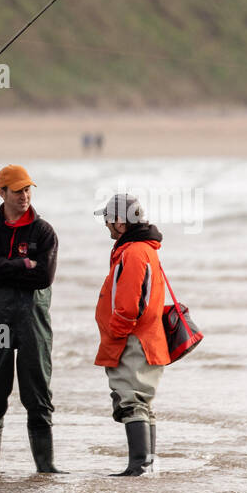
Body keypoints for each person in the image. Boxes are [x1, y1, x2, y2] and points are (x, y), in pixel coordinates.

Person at [0, 164, 62, 475]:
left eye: (28, 189)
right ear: (2, 193)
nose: (25, 195)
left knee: (37, 392)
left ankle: (46, 467)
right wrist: (22, 264)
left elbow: (43, 277)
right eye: (18, 190)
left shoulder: (44, 231)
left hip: (33, 322)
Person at [94, 193, 170, 476]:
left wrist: (116, 332)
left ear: (120, 223)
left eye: (107, 220)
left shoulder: (134, 252)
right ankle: (146, 465)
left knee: (132, 400)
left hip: (135, 341)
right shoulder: (144, 249)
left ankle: (139, 466)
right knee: (142, 401)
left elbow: (128, 304)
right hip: (147, 338)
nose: (106, 226)